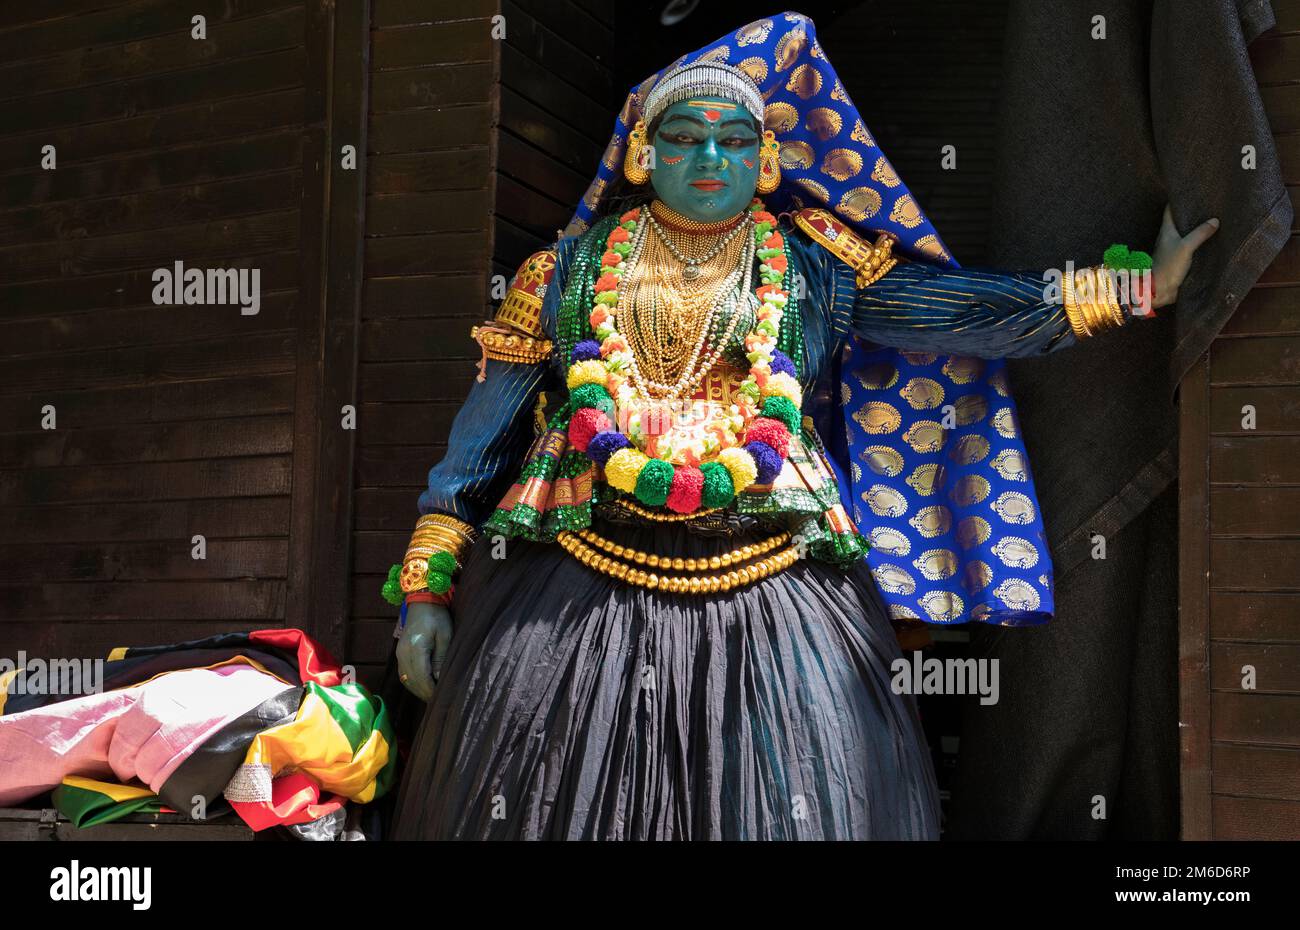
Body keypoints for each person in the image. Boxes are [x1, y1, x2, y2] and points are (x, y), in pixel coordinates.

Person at [383, 13, 1216, 840]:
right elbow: (479, 441)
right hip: (570, 586)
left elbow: (957, 313)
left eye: (734, 140)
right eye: (684, 138)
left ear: (767, 155)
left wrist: (1137, 291)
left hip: (778, 578)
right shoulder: (559, 272)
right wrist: (425, 590)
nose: (711, 159)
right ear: (644, 154)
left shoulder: (815, 260)